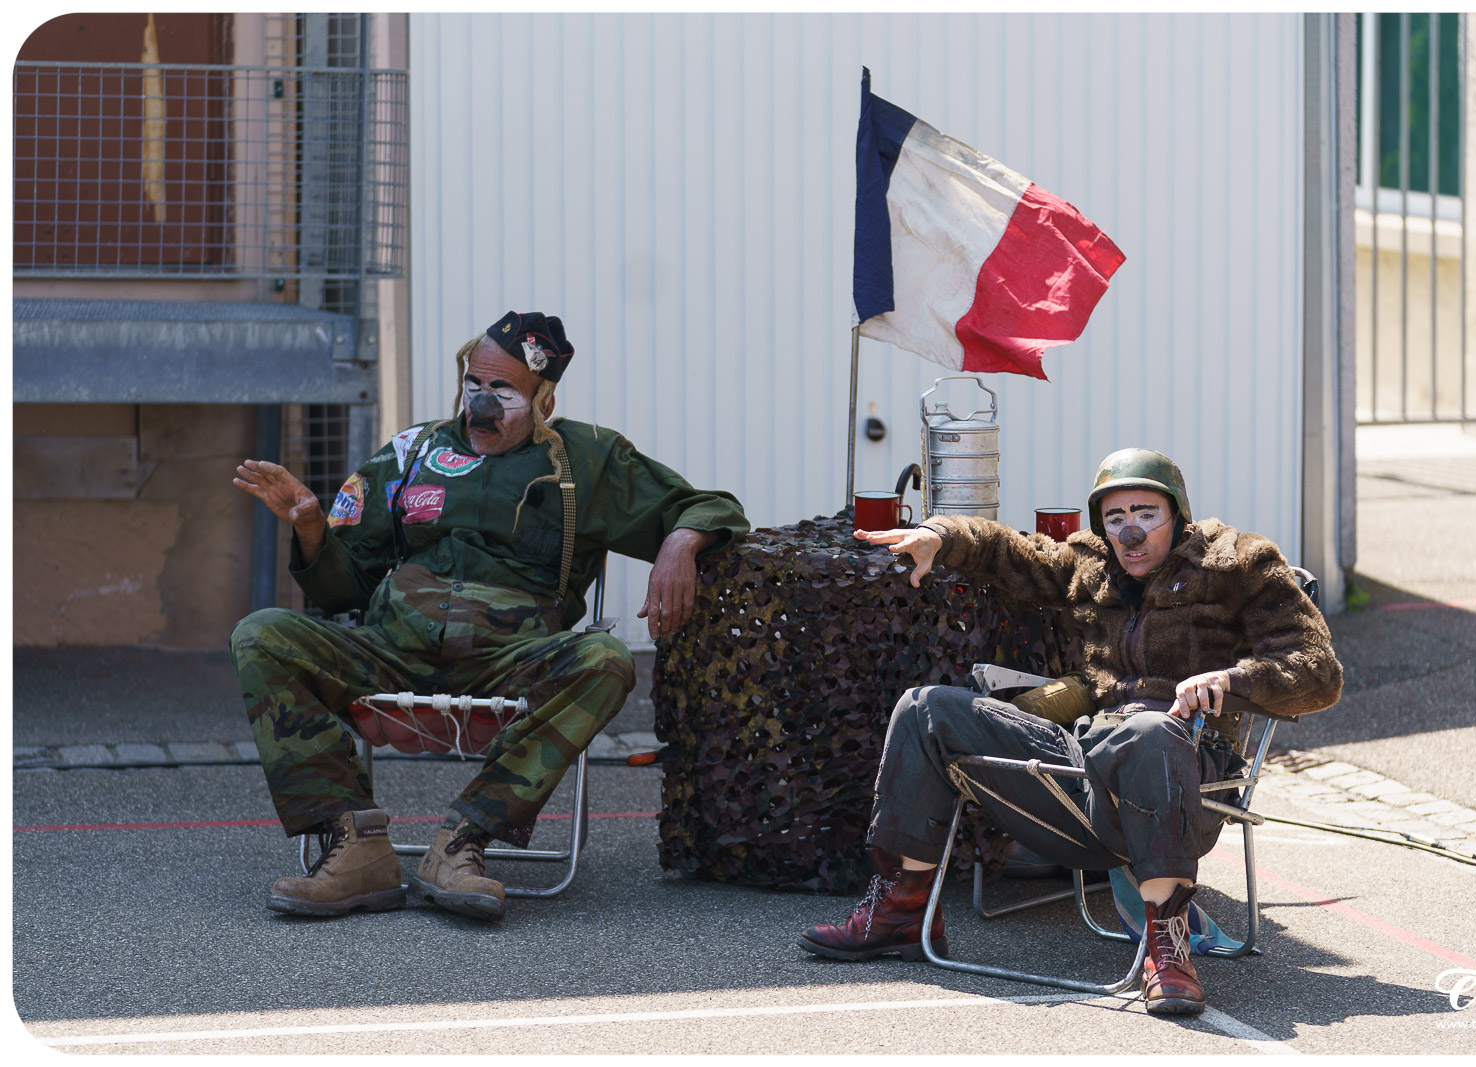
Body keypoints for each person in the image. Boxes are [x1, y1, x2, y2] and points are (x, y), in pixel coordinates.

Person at [231, 310, 748, 921]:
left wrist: (680, 543)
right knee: (262, 634)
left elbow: (711, 506)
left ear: (545, 402)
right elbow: (341, 588)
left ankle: (462, 841)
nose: (480, 404)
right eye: (473, 384)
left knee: (606, 660)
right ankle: (356, 844)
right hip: (392, 649)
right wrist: (314, 529)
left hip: (511, 663)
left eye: (503, 392)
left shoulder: (587, 461)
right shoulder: (411, 453)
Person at [797, 448, 1342, 1015]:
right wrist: (938, 533)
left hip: (1186, 767)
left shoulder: (1238, 562)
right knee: (925, 708)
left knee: (1150, 730)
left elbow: (1318, 671)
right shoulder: (1092, 562)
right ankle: (902, 911)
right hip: (1085, 764)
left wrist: (1231, 680)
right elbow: (1009, 550)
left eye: (1146, 513)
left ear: (1178, 514)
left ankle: (1168, 947)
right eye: (1115, 517)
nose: (1130, 532)